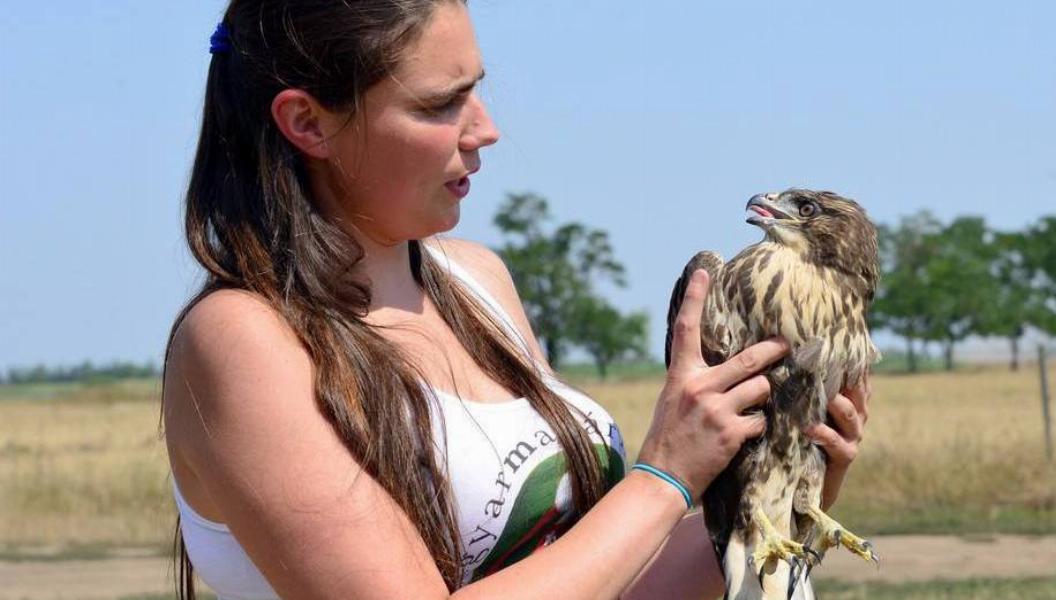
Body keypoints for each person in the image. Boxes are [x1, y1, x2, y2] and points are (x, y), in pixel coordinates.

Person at [161, 1, 871, 598]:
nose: (485, 128)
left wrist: (781, 494)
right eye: (441, 104)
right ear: (308, 123)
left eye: (476, 88)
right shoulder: (243, 340)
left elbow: (607, 585)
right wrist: (662, 476)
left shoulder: (477, 282)